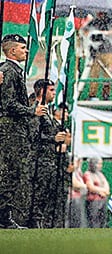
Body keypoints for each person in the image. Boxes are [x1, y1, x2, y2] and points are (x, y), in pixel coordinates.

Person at [0, 34, 46, 229]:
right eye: (22, 48)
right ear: (12, 51)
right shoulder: (8, 71)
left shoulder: (12, 70)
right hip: (10, 128)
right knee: (10, 172)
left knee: (12, 173)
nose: (26, 51)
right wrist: (31, 111)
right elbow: (8, 103)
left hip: (14, 128)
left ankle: (5, 215)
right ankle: (3, 216)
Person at [28, 79, 68, 228]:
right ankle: (33, 222)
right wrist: (53, 138)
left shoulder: (47, 111)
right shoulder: (36, 110)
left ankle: (41, 223)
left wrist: (59, 138)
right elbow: (32, 135)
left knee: (46, 195)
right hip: (39, 160)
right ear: (43, 91)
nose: (53, 93)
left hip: (49, 160)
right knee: (37, 195)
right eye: (51, 90)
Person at [84, 157, 110, 228]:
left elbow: (106, 185)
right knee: (93, 220)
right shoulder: (87, 174)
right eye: (99, 164)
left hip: (102, 200)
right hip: (93, 201)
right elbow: (90, 187)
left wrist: (104, 191)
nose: (101, 165)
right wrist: (101, 191)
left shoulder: (100, 174)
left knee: (103, 220)